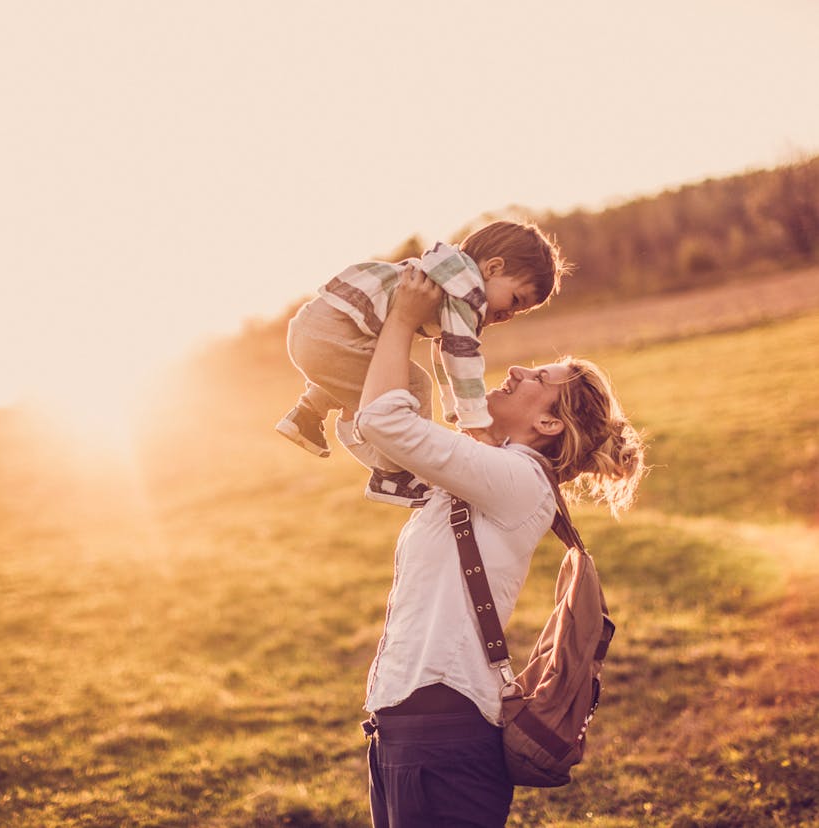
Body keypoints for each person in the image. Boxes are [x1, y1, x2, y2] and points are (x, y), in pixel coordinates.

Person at [353, 267, 646, 828]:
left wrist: (403, 319)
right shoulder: (489, 472)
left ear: (547, 422)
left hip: (443, 736)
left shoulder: (519, 480)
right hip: (405, 729)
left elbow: (386, 420)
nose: (516, 369)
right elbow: (392, 431)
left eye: (539, 376)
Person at [275, 220, 565, 507]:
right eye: (515, 300)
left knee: (375, 365)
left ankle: (306, 415)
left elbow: (443, 353)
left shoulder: (449, 275)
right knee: (414, 385)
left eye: (519, 311)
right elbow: (461, 356)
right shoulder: (466, 293)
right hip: (329, 337)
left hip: (316, 326)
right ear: (493, 268)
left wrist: (454, 409)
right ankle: (393, 475)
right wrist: (476, 420)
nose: (510, 314)